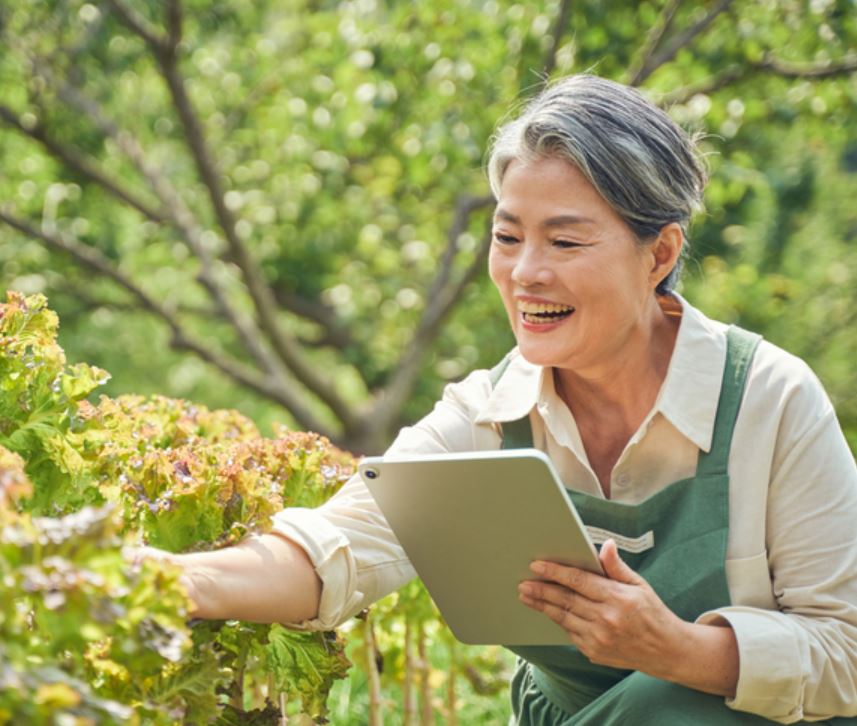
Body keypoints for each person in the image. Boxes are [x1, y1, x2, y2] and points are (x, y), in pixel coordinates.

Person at [156, 75, 857, 724]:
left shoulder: (768, 400)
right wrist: (164, 581)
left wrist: (676, 650)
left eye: (564, 241)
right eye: (506, 237)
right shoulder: (486, 415)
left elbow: (847, 652)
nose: (525, 273)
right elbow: (336, 549)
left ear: (658, 255)